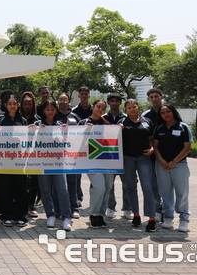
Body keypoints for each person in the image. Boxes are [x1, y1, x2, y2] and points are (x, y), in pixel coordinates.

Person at [119, 99, 157, 232]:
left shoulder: (147, 121)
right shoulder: (122, 123)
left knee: (147, 187)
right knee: (130, 187)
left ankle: (152, 219)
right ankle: (136, 215)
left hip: (143, 158)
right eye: (129, 108)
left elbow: (150, 139)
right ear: (126, 109)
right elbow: (116, 141)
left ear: (138, 107)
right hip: (128, 158)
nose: (132, 109)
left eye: (134, 107)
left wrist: (152, 149)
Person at [153, 104, 192, 232]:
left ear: (173, 112)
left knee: (182, 192)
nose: (166, 115)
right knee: (165, 192)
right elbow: (156, 146)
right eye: (163, 113)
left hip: (179, 165)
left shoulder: (183, 127)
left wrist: (174, 162)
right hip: (162, 165)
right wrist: (161, 160)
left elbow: (187, 147)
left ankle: (184, 219)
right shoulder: (159, 128)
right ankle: (168, 217)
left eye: (168, 112)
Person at [36, 100, 73, 231]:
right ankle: (50, 215)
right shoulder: (37, 125)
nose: (50, 112)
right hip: (43, 163)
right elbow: (30, 142)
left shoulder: (60, 125)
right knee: (45, 191)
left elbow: (68, 143)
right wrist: (36, 132)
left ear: (56, 111)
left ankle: (66, 217)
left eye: (52, 109)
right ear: (43, 111)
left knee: (62, 190)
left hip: (59, 163)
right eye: (47, 110)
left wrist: (66, 133)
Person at [0, 90, 28, 227]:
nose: (12, 106)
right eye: (10, 104)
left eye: (14, 103)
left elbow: (28, 139)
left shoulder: (23, 120)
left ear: (18, 105)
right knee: (5, 188)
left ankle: (21, 216)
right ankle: (7, 215)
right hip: (4, 159)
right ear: (5, 105)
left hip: (20, 160)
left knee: (21, 188)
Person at [79, 99, 113, 228]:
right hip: (91, 160)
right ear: (93, 107)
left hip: (107, 160)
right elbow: (76, 141)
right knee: (99, 186)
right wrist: (85, 131)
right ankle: (93, 213)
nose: (100, 110)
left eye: (103, 108)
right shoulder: (83, 123)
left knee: (108, 188)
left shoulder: (107, 124)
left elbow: (112, 142)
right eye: (98, 107)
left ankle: (100, 215)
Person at [103, 93, 129, 219]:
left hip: (124, 155)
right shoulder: (102, 118)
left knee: (127, 183)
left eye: (116, 101)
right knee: (109, 184)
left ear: (120, 103)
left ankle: (128, 208)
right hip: (108, 155)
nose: (114, 103)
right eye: (112, 101)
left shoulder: (126, 118)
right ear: (108, 103)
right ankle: (110, 207)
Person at [141, 87, 165, 219]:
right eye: (152, 97)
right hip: (151, 156)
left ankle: (168, 211)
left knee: (167, 184)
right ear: (149, 99)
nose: (154, 99)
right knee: (153, 184)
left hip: (167, 154)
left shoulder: (167, 111)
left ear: (161, 97)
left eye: (156, 96)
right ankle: (158, 210)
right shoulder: (145, 116)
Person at [20, 91, 40, 218]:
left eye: (30, 104)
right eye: (25, 104)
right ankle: (22, 205)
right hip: (19, 154)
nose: (27, 106)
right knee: (22, 180)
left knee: (34, 180)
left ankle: (31, 205)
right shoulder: (19, 118)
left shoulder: (38, 120)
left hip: (34, 154)